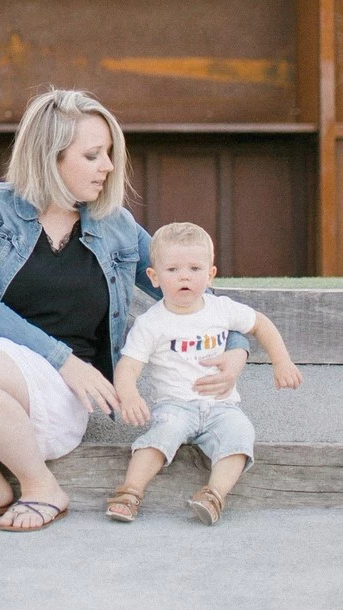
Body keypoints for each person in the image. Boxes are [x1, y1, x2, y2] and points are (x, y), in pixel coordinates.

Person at [0, 87, 251, 532]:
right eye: (93, 155)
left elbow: (193, 291)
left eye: (109, 154)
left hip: (57, 386)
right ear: (50, 156)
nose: (108, 166)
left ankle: (40, 486)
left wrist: (236, 349)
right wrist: (65, 361)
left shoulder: (115, 226)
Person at [106, 220, 302, 526]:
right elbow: (129, 364)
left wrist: (282, 362)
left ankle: (213, 494)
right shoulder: (151, 323)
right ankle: (129, 493)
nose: (184, 276)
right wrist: (129, 396)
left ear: (210, 274)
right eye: (173, 270)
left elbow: (260, 323)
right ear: (154, 277)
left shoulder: (220, 308)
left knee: (240, 435)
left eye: (195, 269)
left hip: (221, 406)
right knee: (161, 436)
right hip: (175, 405)